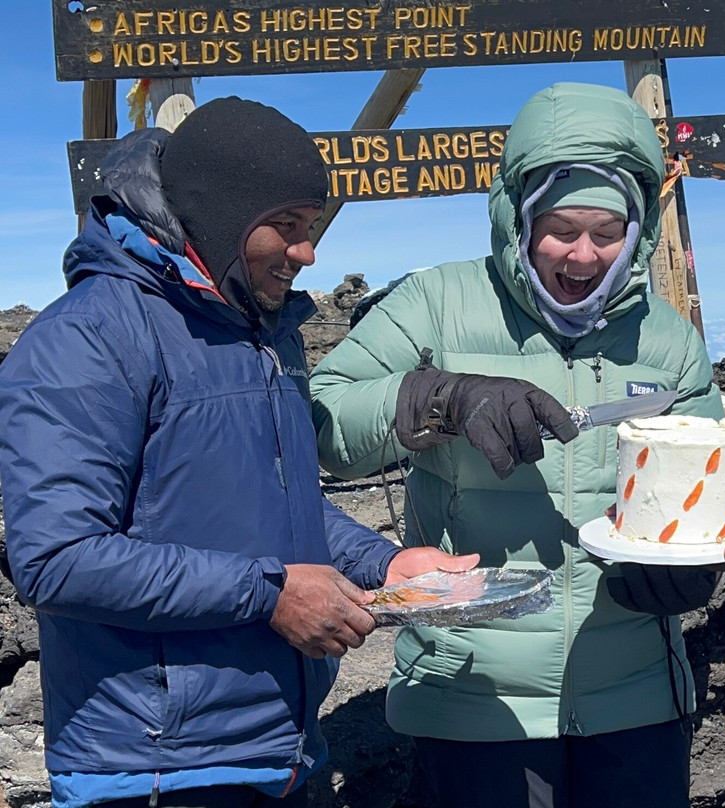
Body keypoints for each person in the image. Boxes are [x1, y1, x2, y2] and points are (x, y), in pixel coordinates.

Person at [0, 97, 477, 808]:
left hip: (280, 753)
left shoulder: (263, 332)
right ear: (218, 215)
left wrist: (387, 563)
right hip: (152, 772)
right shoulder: (89, 338)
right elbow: (56, 557)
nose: (307, 252)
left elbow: (276, 506)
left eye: (309, 228)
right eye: (285, 226)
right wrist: (271, 593)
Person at [308, 82, 723, 808]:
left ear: (637, 231)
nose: (586, 254)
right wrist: (436, 396)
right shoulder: (435, 302)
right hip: (475, 697)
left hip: (635, 697)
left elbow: (708, 483)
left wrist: (696, 566)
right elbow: (325, 425)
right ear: (519, 217)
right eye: (562, 227)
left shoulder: (666, 340)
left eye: (608, 230)